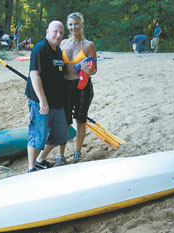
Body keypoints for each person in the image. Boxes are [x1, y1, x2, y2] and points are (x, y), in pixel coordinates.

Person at [25, 20, 67, 173]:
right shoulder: (39, 49)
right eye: (55, 31)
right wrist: (42, 100)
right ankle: (31, 168)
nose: (58, 35)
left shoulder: (58, 51)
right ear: (47, 32)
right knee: (38, 134)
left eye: (61, 32)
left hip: (57, 101)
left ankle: (40, 159)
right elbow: (34, 75)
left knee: (60, 133)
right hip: (40, 101)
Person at [56, 12, 97, 166]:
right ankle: (61, 155)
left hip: (83, 86)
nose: (74, 27)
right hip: (65, 86)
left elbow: (94, 70)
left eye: (76, 24)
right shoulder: (63, 43)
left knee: (80, 119)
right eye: (71, 24)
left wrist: (88, 70)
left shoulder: (88, 45)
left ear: (81, 25)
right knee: (64, 121)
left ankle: (77, 152)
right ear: (68, 26)